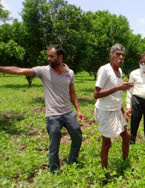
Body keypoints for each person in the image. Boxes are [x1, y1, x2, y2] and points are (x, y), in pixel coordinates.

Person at [0, 45, 83, 173]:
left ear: (60, 57)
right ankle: (54, 171)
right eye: (48, 56)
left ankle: (72, 161)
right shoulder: (43, 71)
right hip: (53, 116)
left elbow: (72, 93)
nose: (49, 59)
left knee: (77, 137)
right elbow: (21, 70)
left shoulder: (69, 73)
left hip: (68, 113)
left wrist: (78, 110)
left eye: (52, 56)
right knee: (54, 145)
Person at [93, 43, 134, 172]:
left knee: (126, 137)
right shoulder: (105, 70)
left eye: (123, 55)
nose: (121, 57)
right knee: (107, 143)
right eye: (117, 54)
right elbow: (96, 94)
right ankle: (104, 172)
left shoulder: (119, 71)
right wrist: (118, 87)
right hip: (105, 111)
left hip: (116, 110)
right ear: (111, 55)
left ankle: (125, 162)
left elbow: (118, 94)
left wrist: (122, 113)